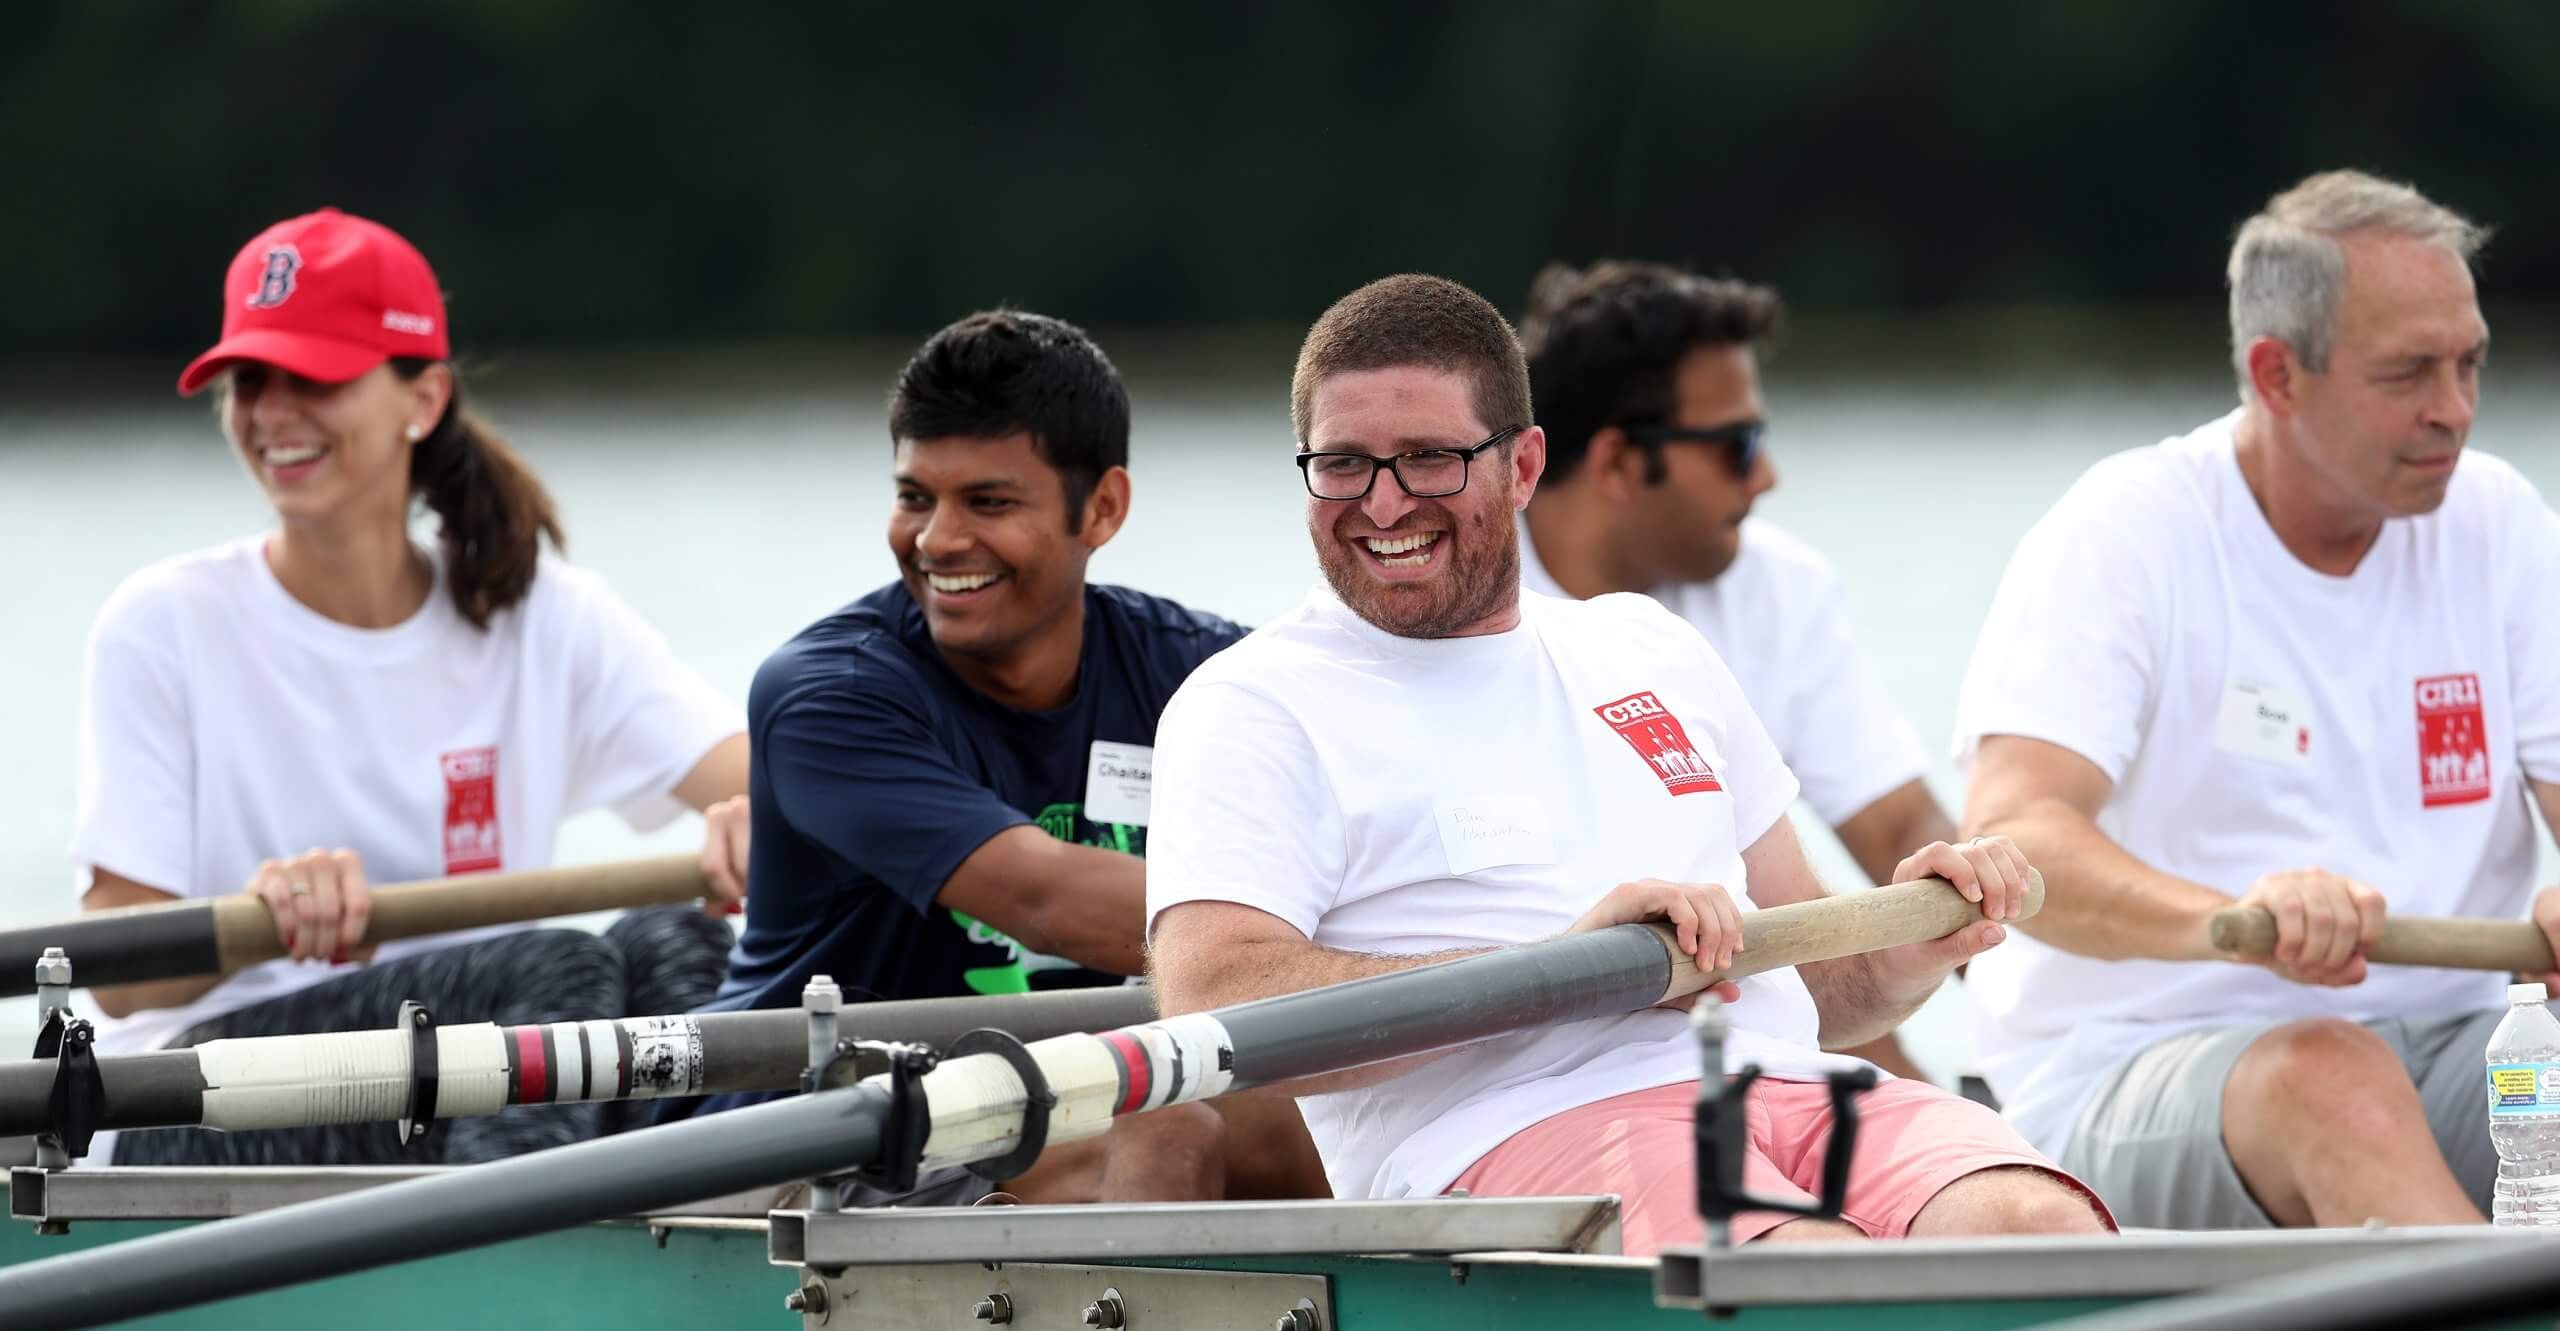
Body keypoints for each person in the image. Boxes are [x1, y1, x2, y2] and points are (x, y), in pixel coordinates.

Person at [1146, 273, 2111, 1254]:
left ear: (1523, 465)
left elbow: (1824, 986)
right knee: (1810, 1273)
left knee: (2044, 1226)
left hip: (1786, 1089)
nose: (1383, 502)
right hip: (1506, 1134)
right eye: (1343, 464)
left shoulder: (1648, 645)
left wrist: (1912, 950)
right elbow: (1210, 999)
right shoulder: (1251, 703)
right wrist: (1568, 969)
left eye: (1429, 459)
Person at [75, 207, 751, 1166]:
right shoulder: (161, 624)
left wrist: (761, 824)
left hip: (464, 1077)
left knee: (680, 946)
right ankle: (517, 1277)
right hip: (199, 1101)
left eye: (311, 376)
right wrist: (263, 924)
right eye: (248, 380)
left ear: (423, 397)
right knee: (557, 968)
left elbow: (773, 782)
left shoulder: (541, 614)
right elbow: (115, 979)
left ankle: (683, 1249)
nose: (270, 413)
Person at [1954, 169, 2560, 1229]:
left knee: (2362, 1073)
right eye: (2408, 372)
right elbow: (2015, 833)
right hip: (2131, 1069)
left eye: (2469, 364)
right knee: (2331, 1073)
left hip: (2459, 1037)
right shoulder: (2126, 531)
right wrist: (2234, 920)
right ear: (2276, 374)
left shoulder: (2500, 522)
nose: (2452, 411)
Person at [671, 309, 1323, 1206]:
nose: (937, 539)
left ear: (1103, 508)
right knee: (1165, 1125)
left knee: (1326, 1117)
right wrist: (1340, 942)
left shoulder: (1208, 675)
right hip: (812, 1143)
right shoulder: (827, 694)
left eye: (988, 502)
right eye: (914, 496)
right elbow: (1048, 901)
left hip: (1030, 1103)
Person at [1516, 261, 1953, 1081]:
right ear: (1615, 463)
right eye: (1735, 446)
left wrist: (2027, 987)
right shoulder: (1463, 619)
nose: (1766, 476)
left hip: (1748, 986)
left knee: (1908, 1078)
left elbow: (1898, 826)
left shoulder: (1779, 588)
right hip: (1551, 1038)